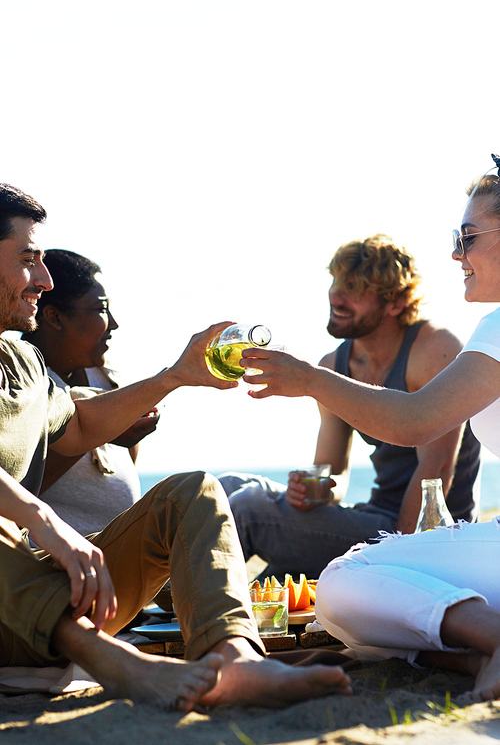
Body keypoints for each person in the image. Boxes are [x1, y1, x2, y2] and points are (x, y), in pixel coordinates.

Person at [0, 183, 352, 711]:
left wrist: (176, 376)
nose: (44, 281)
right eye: (29, 261)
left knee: (194, 493)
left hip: (37, 601)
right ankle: (122, 666)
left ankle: (234, 660)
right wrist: (48, 525)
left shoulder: (22, 361)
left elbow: (77, 427)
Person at [240, 154, 500, 702]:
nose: (456, 251)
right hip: (446, 537)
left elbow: (419, 434)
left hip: (429, 524)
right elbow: (330, 466)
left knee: (341, 588)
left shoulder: (463, 338)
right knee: (251, 499)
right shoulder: (343, 360)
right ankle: (479, 651)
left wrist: (306, 377)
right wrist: (314, 487)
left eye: (468, 235)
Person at [222, 236, 480, 578]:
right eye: (336, 282)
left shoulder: (435, 350)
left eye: (355, 288)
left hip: (427, 537)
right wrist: (314, 491)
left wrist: (402, 568)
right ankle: (164, 605)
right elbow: (334, 474)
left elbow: (436, 472)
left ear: (397, 302)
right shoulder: (333, 365)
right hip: (375, 517)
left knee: (250, 511)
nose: (336, 296)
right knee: (222, 490)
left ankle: (178, 616)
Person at [22, 248, 159, 536]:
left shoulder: (105, 377)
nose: (114, 324)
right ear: (55, 317)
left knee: (233, 487)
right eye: (101, 309)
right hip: (62, 558)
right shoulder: (21, 385)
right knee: (191, 494)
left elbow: (126, 467)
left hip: (119, 545)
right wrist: (99, 430)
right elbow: (16, 490)